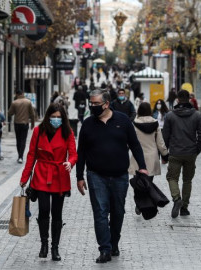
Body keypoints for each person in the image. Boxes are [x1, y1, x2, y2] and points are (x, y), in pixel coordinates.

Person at [76, 90, 148, 263]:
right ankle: (105, 249)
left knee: (118, 212)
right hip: (96, 176)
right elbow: (82, 152)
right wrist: (79, 177)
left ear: (106, 104)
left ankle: (114, 243)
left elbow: (135, 145)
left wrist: (143, 168)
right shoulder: (87, 124)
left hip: (119, 176)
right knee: (100, 213)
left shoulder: (123, 121)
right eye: (91, 103)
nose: (92, 107)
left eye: (95, 104)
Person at [20, 103, 77, 261]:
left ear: (63, 118)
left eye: (59, 117)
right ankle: (44, 244)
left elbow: (73, 153)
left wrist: (70, 163)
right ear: (48, 117)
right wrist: (24, 178)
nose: (56, 120)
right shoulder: (38, 131)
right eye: (53, 117)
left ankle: (55, 248)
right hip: (42, 174)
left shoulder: (67, 132)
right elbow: (31, 155)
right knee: (44, 210)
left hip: (59, 175)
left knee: (57, 213)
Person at [162, 90, 201, 218]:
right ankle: (184, 208)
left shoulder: (170, 116)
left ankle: (176, 199)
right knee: (187, 180)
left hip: (175, 152)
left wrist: (165, 153)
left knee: (172, 178)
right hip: (190, 152)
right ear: (190, 99)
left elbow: (165, 136)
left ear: (177, 100)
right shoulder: (197, 115)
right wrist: (197, 149)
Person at [128, 102, 169, 210]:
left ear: (139, 111)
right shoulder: (155, 124)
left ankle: (139, 203)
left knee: (138, 182)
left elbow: (129, 141)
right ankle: (146, 204)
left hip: (137, 157)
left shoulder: (134, 124)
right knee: (148, 182)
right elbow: (160, 143)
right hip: (152, 157)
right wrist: (165, 155)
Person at [8, 91, 36, 163]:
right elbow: (32, 114)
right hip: (25, 123)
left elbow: (10, 113)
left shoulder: (14, 103)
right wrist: (32, 124)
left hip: (17, 123)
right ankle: (21, 156)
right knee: (23, 140)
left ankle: (19, 156)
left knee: (18, 140)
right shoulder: (28, 102)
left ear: (17, 94)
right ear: (23, 94)